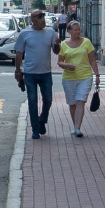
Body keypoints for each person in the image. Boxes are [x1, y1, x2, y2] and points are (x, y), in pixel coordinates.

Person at [14, 8, 61, 139]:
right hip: (30, 73)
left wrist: (57, 45)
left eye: (43, 16)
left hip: (45, 73)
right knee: (32, 101)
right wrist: (18, 72)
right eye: (39, 16)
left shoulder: (50, 32)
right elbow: (19, 54)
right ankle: (35, 129)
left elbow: (56, 51)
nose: (42, 19)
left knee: (48, 100)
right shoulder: (25, 33)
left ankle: (42, 120)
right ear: (32, 20)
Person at [57, 20, 100, 137]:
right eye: (75, 30)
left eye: (79, 29)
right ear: (69, 31)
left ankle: (77, 128)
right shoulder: (64, 44)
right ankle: (75, 125)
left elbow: (92, 60)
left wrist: (97, 75)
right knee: (72, 104)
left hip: (85, 76)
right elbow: (59, 62)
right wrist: (67, 65)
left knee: (80, 101)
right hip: (69, 77)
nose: (78, 32)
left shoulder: (87, 42)